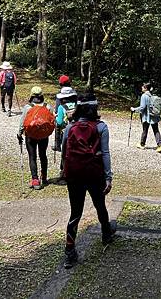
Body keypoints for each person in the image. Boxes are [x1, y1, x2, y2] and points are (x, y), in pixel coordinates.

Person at [61, 93, 114, 269]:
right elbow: (105, 153)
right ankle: (106, 234)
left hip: (74, 175)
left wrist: (64, 171)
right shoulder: (101, 127)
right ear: (94, 108)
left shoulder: (70, 127)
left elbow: (64, 152)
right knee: (100, 205)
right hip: (94, 174)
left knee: (75, 213)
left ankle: (70, 251)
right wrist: (108, 177)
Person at [17, 86, 54, 190]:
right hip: (43, 136)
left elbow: (22, 123)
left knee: (32, 156)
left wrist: (19, 134)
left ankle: (35, 179)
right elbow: (52, 121)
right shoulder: (48, 107)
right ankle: (45, 177)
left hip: (31, 136)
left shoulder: (28, 107)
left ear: (31, 95)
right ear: (42, 95)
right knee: (43, 155)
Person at [131, 83, 161, 153]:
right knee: (156, 130)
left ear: (146, 88)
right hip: (154, 116)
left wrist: (134, 109)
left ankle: (142, 144)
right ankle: (160, 145)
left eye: (143, 87)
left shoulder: (144, 96)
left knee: (145, 130)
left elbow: (142, 107)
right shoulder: (151, 95)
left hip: (146, 117)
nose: (142, 88)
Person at [54, 75, 72, 151]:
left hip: (63, 114)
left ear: (60, 84)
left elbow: (58, 107)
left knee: (57, 124)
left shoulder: (60, 94)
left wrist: (56, 114)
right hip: (72, 115)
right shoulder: (74, 92)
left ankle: (57, 144)